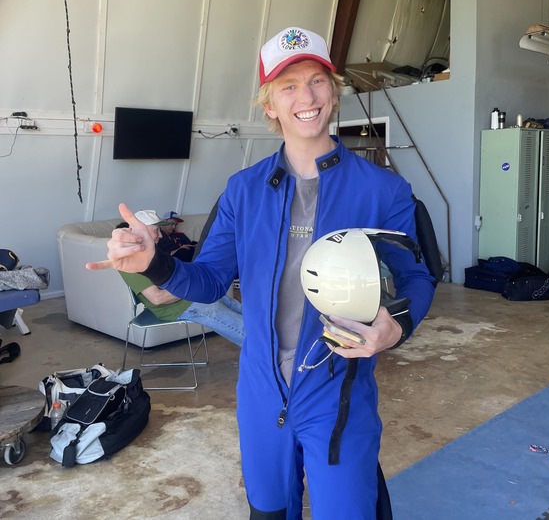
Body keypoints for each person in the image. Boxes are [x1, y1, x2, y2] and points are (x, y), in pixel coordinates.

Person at [87, 26, 436, 518]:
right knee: (268, 511)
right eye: (288, 86)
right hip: (260, 391)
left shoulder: (383, 190)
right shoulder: (242, 190)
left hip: (338, 390)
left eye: (316, 81)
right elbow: (209, 280)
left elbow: (419, 277)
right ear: (269, 105)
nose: (306, 98)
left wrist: (395, 326)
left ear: (334, 91)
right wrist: (155, 264)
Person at [120, 210, 244, 348]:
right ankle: (262, 350)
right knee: (240, 327)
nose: (160, 235)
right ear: (140, 231)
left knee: (238, 307)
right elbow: (158, 298)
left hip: (187, 298)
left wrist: (195, 284)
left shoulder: (152, 251)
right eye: (156, 230)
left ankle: (262, 338)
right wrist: (192, 286)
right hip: (176, 308)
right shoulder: (130, 261)